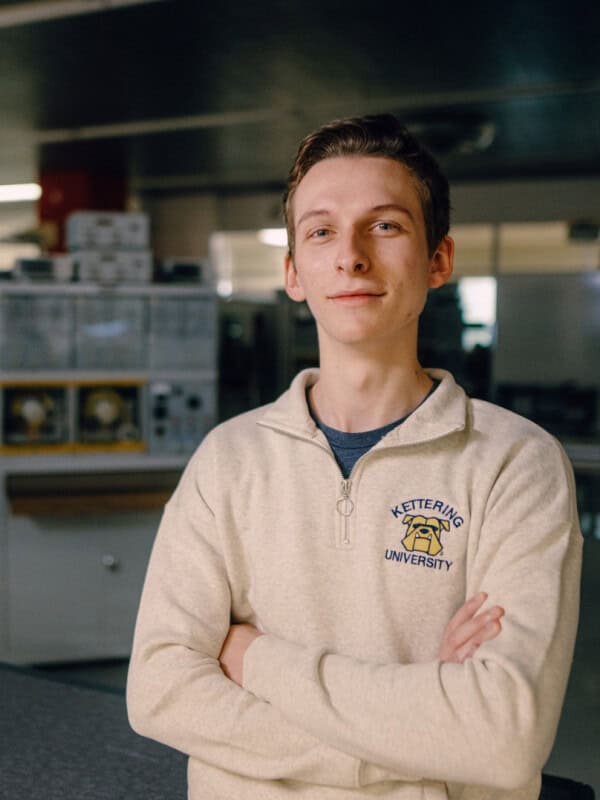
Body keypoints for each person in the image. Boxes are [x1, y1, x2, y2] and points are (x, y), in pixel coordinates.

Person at [127, 115, 582, 800]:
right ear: (293, 273)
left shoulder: (516, 465)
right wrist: (424, 740)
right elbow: (159, 688)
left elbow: (503, 735)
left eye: (386, 226)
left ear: (439, 260)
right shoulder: (230, 460)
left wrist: (257, 661)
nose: (351, 256)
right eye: (321, 232)